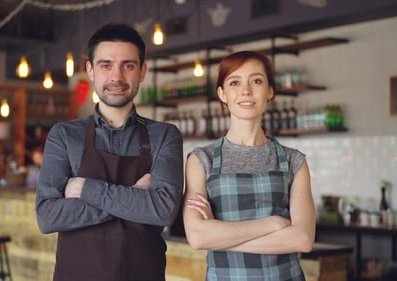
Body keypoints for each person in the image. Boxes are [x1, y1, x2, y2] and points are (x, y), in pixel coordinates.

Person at [35, 23, 184, 281]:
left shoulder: (165, 135)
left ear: (142, 71)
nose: (116, 77)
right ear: (90, 71)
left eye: (128, 65)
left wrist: (87, 190)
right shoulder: (64, 135)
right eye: (106, 65)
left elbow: (164, 210)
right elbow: (48, 216)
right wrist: (134, 198)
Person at [183, 51, 315, 280]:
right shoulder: (201, 160)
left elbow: (302, 239)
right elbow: (197, 237)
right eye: (235, 82)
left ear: (270, 91)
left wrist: (220, 236)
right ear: (222, 94)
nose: (246, 91)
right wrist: (273, 223)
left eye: (256, 81)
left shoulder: (295, 161)